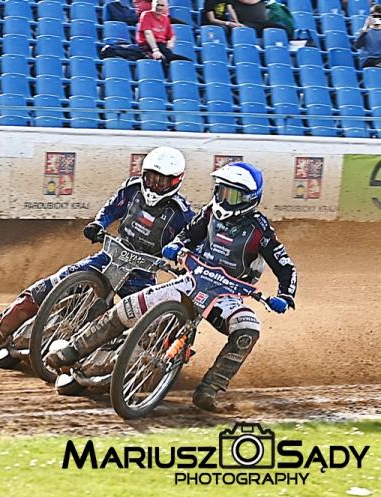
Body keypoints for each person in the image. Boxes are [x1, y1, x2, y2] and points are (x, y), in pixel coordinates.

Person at [45, 162, 297, 412]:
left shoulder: (260, 230)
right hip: (193, 279)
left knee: (248, 328)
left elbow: (285, 265)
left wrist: (285, 295)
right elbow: (189, 234)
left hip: (227, 295)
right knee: (130, 305)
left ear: (249, 199)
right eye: (221, 190)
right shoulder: (210, 212)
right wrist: (176, 245)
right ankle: (73, 349)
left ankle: (210, 388)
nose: (224, 198)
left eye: (232, 195)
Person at [0, 147, 193, 348]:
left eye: (162, 181)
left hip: (142, 275)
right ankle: (1, 328)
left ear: (176, 181)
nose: (155, 185)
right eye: (151, 178)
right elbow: (111, 209)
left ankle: (137, 356)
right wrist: (99, 224)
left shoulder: (182, 214)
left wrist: (184, 261)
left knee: (148, 320)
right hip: (109, 257)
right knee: (58, 280)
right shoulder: (132, 189)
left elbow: (191, 242)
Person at [137, 0, 191, 68]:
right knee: (162, 60)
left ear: (166, 7)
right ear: (153, 5)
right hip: (148, 46)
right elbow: (148, 33)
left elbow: (172, 35)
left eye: (162, 5)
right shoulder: (146, 15)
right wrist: (155, 50)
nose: (159, 8)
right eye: (157, 5)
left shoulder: (166, 18)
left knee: (187, 61)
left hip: (163, 47)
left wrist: (171, 42)